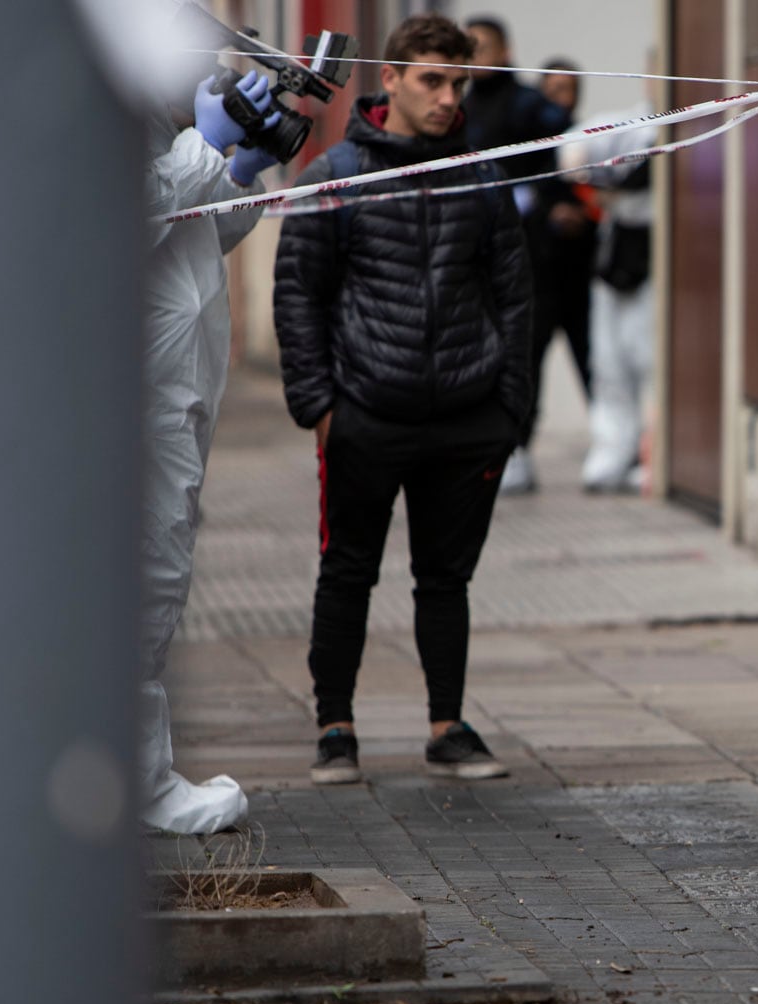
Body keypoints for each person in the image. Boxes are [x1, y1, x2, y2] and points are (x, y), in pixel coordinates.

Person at [273, 14, 529, 785]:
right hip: (365, 413)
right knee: (347, 571)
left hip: (465, 418)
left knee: (445, 580)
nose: (449, 98)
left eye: (460, 83)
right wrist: (319, 405)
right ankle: (335, 730)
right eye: (432, 80)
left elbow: (515, 295)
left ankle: (447, 727)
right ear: (391, 80)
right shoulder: (337, 176)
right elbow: (299, 296)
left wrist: (508, 410)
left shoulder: (484, 174)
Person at [139, 67, 280, 833]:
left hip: (176, 399)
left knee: (156, 577)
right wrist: (204, 149)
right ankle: (138, 784)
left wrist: (240, 174)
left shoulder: (154, 128)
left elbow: (193, 229)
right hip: (129, 402)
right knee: (139, 582)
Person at [464, 16, 574, 495]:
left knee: (526, 349)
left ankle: (518, 446)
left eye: (482, 46)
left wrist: (537, 200)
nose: (474, 57)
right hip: (474, 253)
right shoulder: (460, 106)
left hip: (533, 255)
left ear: (505, 49)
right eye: (467, 49)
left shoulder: (531, 104)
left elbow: (566, 145)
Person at [555, 94, 657, 493]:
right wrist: (597, 179)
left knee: (649, 361)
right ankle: (613, 449)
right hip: (615, 258)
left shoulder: (667, 129)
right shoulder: (631, 123)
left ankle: (649, 454)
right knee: (609, 364)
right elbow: (570, 151)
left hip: (653, 259)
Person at [526, 61, 597, 406]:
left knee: (593, 363)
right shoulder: (524, 149)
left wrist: (583, 215)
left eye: (566, 89)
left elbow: (603, 200)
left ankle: (608, 438)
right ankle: (521, 448)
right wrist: (546, 213)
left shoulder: (591, 142)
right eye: (552, 90)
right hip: (537, 275)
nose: (559, 99)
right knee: (528, 363)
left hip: (579, 274)